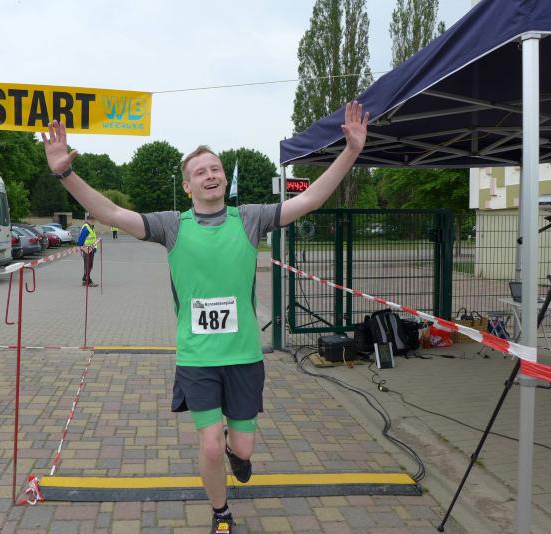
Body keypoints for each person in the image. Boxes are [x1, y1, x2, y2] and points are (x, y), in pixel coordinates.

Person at [41, 100, 368, 534]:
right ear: (187, 184)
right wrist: (65, 173)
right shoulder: (172, 226)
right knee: (210, 445)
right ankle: (221, 512)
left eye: (215, 168)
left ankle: (239, 454)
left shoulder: (249, 219)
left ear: (224, 177)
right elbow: (111, 213)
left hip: (244, 356)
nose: (210, 175)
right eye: (200, 171)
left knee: (242, 447)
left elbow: (310, 199)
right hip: (197, 358)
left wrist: (351, 151)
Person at [76, 216, 98, 287]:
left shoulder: (91, 227)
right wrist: (81, 248)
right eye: (93, 220)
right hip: (87, 250)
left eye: (94, 220)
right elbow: (81, 240)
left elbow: (92, 238)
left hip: (91, 249)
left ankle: (84, 279)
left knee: (89, 265)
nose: (94, 221)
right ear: (89, 220)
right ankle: (88, 281)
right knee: (88, 265)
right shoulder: (86, 227)